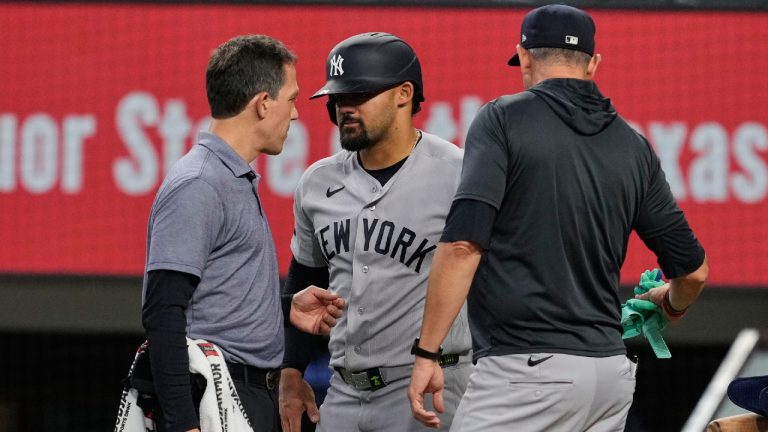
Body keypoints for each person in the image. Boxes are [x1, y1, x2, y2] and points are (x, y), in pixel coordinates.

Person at [407, 5, 709, 431]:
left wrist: (427, 352)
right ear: (593, 64)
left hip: (526, 372)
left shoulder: (502, 119)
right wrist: (671, 302)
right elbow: (693, 273)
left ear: (524, 56)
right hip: (608, 375)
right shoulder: (633, 144)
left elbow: (462, 245)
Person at [141, 34, 344, 432]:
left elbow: (216, 295)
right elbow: (162, 311)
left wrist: (284, 307)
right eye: (292, 99)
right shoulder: (199, 183)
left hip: (247, 396)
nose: (297, 113)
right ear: (263, 104)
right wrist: (184, 424)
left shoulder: (230, 177)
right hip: (214, 398)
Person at [278, 32, 473, 432]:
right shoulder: (317, 182)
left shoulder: (459, 173)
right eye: (336, 98)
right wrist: (292, 369)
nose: (343, 107)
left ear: (404, 94)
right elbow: (307, 278)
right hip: (343, 392)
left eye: (358, 95)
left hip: (431, 384)